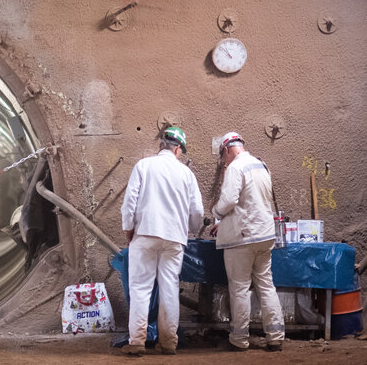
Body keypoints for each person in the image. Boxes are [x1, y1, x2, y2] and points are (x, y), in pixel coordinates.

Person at [120, 127, 204, 356]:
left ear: (161, 145)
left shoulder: (143, 166)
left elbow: (130, 202)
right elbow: (197, 211)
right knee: (169, 288)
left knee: (140, 288)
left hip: (145, 233)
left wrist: (129, 228)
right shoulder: (186, 174)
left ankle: (137, 341)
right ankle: (168, 342)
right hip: (175, 239)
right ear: (178, 149)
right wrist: (192, 230)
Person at [211, 132, 285, 351]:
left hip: (243, 238)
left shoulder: (235, 167)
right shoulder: (261, 165)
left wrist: (216, 213)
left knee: (240, 287)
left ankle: (239, 339)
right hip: (265, 235)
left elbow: (229, 201)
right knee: (266, 284)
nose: (224, 162)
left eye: (222, 156)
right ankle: (275, 336)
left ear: (226, 150)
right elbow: (252, 202)